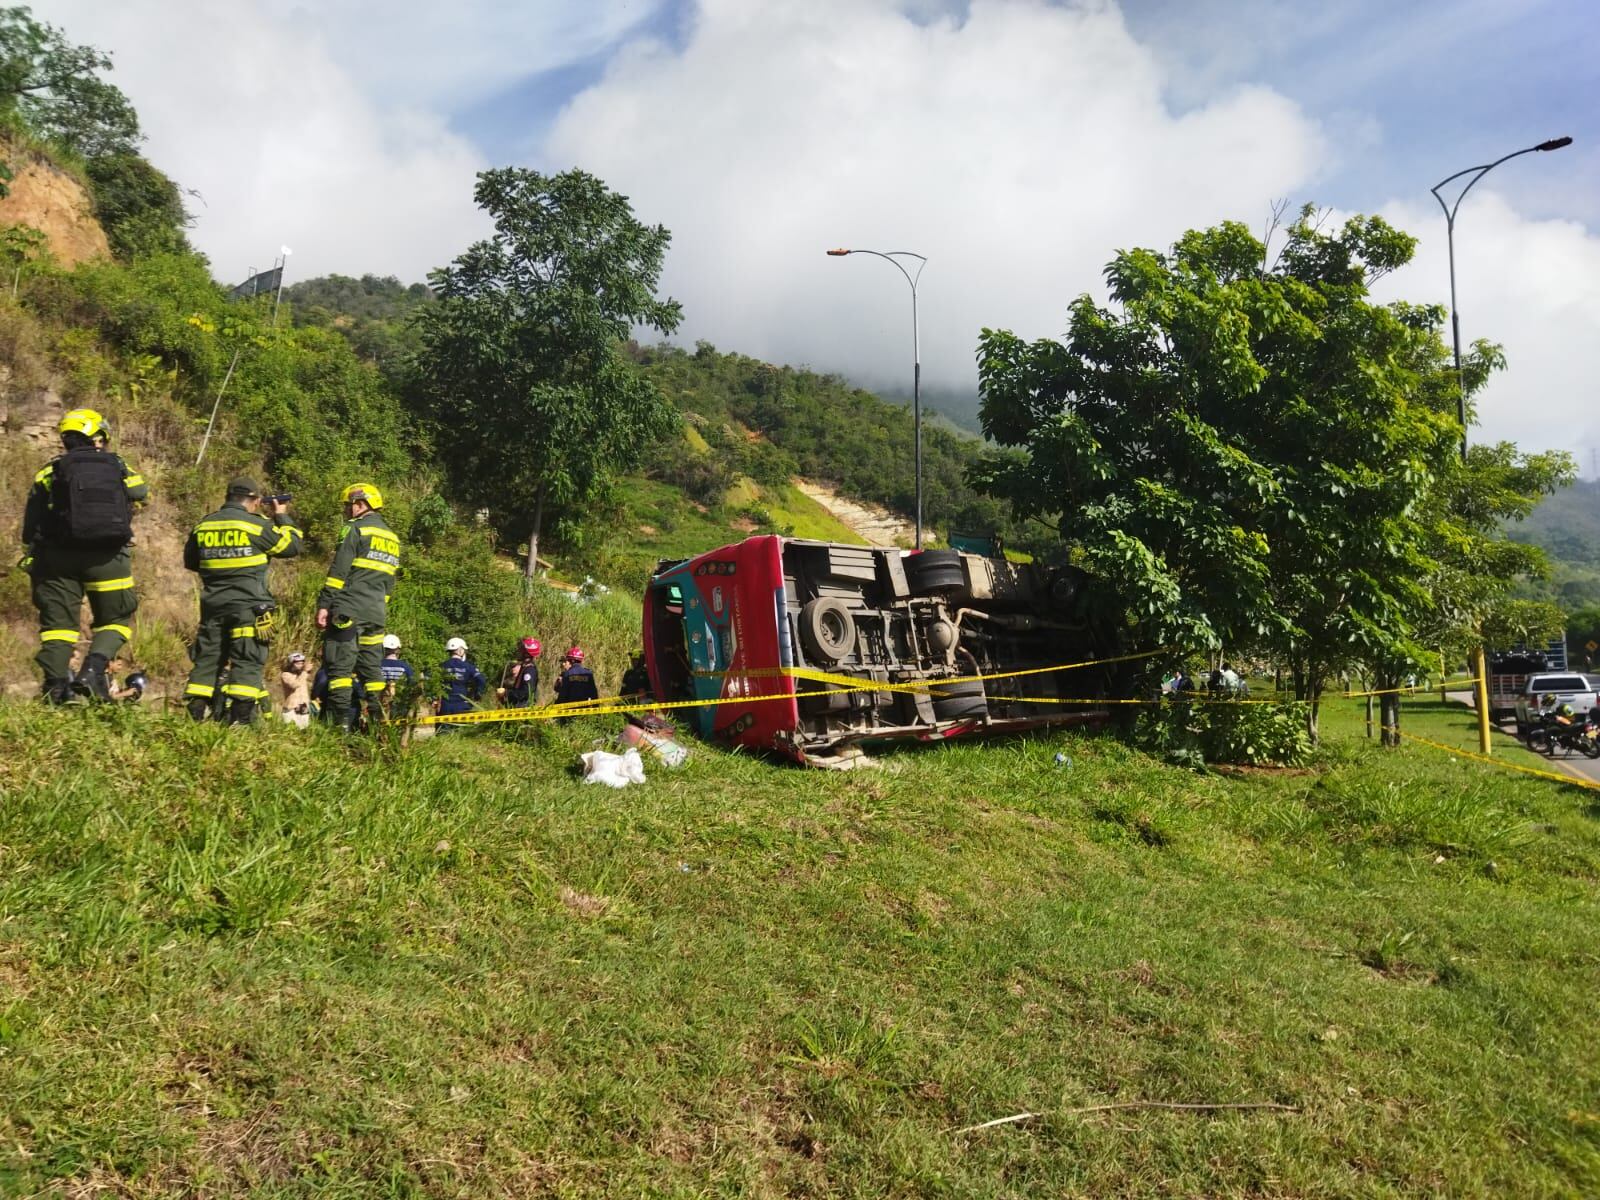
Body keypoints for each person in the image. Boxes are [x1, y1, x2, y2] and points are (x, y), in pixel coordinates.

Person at [20, 408, 149, 703]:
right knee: (115, 618)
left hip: (57, 559)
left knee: (58, 628)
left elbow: (32, 521)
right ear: (98, 437)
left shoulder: (50, 471)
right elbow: (141, 492)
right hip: (108, 557)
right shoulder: (118, 466)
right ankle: (92, 670)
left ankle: (56, 690)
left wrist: (33, 551)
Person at [181, 477, 302, 724]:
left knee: (208, 658)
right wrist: (281, 515)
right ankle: (241, 720)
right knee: (247, 659)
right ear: (255, 501)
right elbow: (292, 545)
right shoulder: (256, 526)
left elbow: (191, 562)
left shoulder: (204, 525)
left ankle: (195, 715)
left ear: (228, 497)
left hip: (213, 606)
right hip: (248, 607)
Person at [315, 482, 400, 731]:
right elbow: (389, 582)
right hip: (376, 614)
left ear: (360, 505)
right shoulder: (392, 538)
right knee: (372, 672)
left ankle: (339, 727)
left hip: (348, 610)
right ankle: (378, 726)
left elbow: (338, 571)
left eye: (348, 505)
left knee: (340, 668)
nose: (346, 510)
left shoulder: (354, 529)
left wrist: (325, 604)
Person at [438, 636, 487, 717]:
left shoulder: (441, 666)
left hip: (445, 706)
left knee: (444, 725)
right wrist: (478, 694)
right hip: (462, 704)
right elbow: (481, 680)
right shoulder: (468, 666)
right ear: (460, 650)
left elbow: (428, 679)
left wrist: (433, 699)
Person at [554, 645, 600, 718]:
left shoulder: (567, 674)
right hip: (584, 712)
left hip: (569, 712)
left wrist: (557, 709)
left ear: (572, 660)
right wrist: (597, 711)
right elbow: (594, 693)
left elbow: (563, 694)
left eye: (568, 659)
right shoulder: (588, 673)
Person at [500, 636, 541, 708]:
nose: (519, 652)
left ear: (525, 653)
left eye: (521, 650)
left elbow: (525, 693)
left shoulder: (529, 671)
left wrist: (507, 693)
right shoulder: (524, 667)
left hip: (523, 707)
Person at [281, 651, 312, 725]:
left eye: (302, 663)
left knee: (304, 728)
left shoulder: (302, 675)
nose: (300, 665)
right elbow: (294, 684)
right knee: (290, 728)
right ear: (291, 664)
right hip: (291, 707)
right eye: (297, 664)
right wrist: (304, 671)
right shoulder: (285, 675)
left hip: (303, 706)